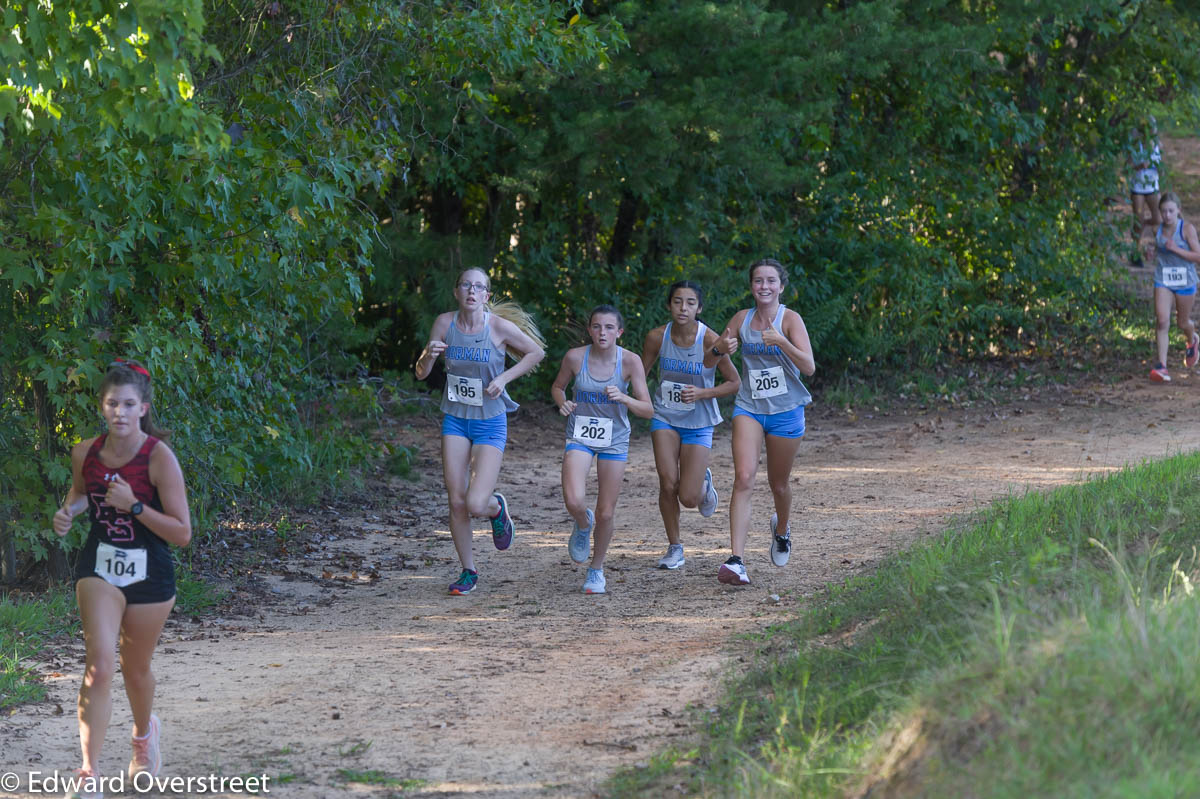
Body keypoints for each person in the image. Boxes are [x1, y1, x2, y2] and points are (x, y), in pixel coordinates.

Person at [52, 358, 192, 797]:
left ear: (144, 408)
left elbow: (183, 533)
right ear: (102, 406)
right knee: (99, 666)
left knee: (136, 670)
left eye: (129, 404)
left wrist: (134, 505)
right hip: (100, 565)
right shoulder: (84, 452)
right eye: (113, 403)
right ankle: (89, 772)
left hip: (150, 569)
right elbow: (81, 493)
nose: (120, 412)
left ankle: (144, 737)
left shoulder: (158, 458)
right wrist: (68, 512)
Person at [415, 268, 546, 594]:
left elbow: (536, 353)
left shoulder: (498, 327)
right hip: (456, 419)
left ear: (486, 296)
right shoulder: (444, 324)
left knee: (475, 503)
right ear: (457, 292)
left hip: (490, 421)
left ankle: (496, 509)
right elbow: (420, 374)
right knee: (456, 501)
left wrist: (503, 379)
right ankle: (468, 570)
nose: (471, 291)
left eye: (479, 287)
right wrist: (427, 357)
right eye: (465, 285)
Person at [707, 259, 815, 586]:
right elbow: (707, 359)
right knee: (743, 477)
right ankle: (736, 560)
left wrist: (782, 341)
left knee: (778, 485)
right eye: (758, 281)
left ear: (781, 286)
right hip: (749, 408)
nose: (764, 286)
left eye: (771, 281)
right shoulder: (741, 319)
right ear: (751, 286)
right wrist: (718, 349)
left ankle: (781, 529)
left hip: (786, 412)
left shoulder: (791, 319)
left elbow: (809, 367)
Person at [551, 305, 653, 594]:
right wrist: (563, 403)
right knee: (573, 500)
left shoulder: (630, 362)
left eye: (609, 327)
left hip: (614, 439)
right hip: (580, 436)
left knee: (606, 513)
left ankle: (596, 570)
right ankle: (584, 524)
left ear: (619, 332)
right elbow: (558, 387)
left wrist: (624, 397)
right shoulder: (575, 357)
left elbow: (647, 410)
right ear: (589, 330)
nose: (602, 332)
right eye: (597, 326)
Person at [641, 281, 740, 570]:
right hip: (665, 416)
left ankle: (703, 485)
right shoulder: (657, 338)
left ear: (700, 307)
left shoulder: (710, 339)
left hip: (699, 420)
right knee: (667, 480)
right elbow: (639, 374)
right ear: (669, 305)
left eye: (690, 303)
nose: (683, 308)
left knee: (688, 497)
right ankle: (675, 546)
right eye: (677, 302)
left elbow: (735, 383)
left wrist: (702, 393)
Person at [1149, 192, 1200, 382]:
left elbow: (1198, 256)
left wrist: (1176, 248)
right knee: (1162, 321)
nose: (1167, 215)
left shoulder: (1186, 229)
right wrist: (1150, 253)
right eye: (1163, 211)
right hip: (1163, 279)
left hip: (1185, 281)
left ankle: (1192, 339)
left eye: (1171, 211)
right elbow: (1157, 250)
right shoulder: (1157, 229)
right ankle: (1162, 367)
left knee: (1182, 323)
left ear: (1178, 210)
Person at [1129, 121, 1163, 266]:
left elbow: (1161, 165)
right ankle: (1136, 253)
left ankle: (1141, 226)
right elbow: (1127, 167)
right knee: (1139, 219)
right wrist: (1139, 166)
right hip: (1138, 187)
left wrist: (1160, 169)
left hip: (1153, 187)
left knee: (1159, 219)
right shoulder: (1136, 145)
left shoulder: (1158, 145)